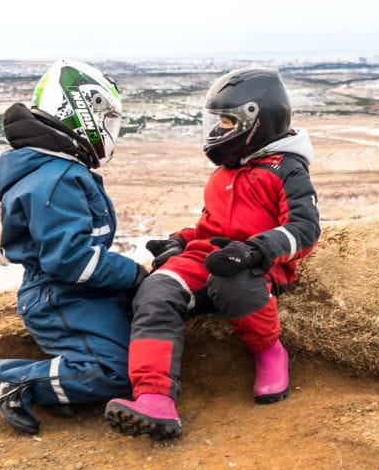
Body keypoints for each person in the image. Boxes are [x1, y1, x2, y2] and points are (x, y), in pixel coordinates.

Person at [105, 68, 320, 440]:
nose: (219, 130)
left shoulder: (287, 170)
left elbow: (305, 230)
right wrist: (181, 242)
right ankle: (154, 398)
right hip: (214, 256)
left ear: (257, 120)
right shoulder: (223, 175)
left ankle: (269, 353)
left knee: (230, 281)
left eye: (227, 121)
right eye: (218, 120)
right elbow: (210, 228)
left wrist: (255, 251)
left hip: (257, 268)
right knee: (155, 290)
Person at [0, 59, 148, 435]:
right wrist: (133, 273)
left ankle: (64, 385)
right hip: (60, 295)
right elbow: (69, 259)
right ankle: (14, 380)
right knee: (113, 371)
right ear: (80, 113)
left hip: (73, 290)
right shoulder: (56, 178)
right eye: (105, 120)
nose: (108, 132)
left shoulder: (56, 169)